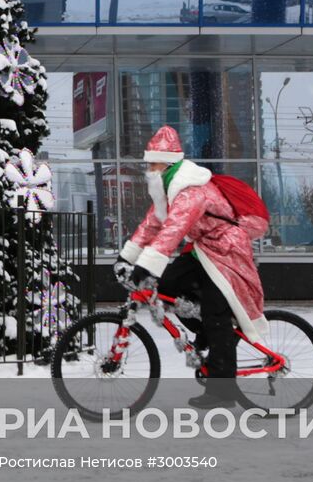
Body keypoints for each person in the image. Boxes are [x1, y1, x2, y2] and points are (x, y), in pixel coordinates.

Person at [113, 126, 269, 408]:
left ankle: (222, 391)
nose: (148, 168)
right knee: (167, 287)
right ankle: (208, 335)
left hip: (227, 250)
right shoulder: (167, 188)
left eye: (152, 163)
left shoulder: (189, 190)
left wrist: (146, 265)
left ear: (166, 163)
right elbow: (153, 223)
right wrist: (128, 256)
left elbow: (174, 229)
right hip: (203, 248)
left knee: (215, 312)